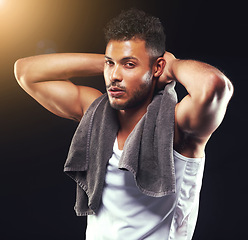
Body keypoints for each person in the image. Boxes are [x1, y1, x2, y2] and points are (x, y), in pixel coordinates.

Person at [14, 9, 233, 240]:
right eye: (110, 64)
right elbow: (26, 72)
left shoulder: (177, 124)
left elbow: (215, 84)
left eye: (129, 65)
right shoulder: (95, 113)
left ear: (157, 68)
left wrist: (172, 65)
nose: (114, 76)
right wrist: (115, 62)